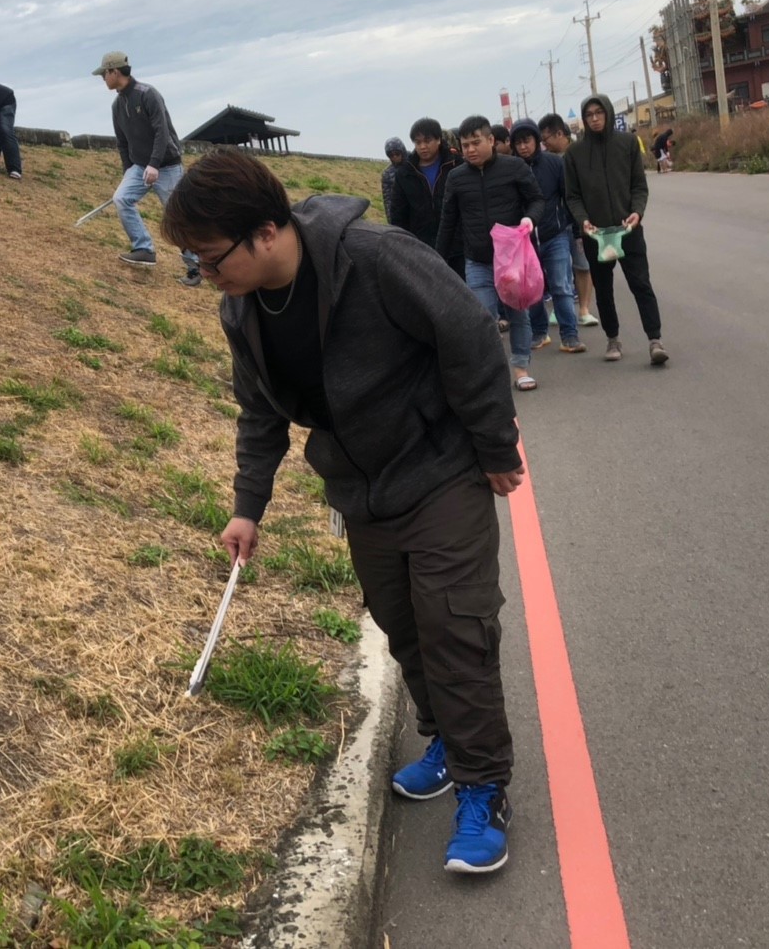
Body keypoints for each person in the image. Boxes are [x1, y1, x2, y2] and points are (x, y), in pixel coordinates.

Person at [161, 149, 524, 875]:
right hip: (362, 493)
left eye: (210, 257)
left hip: (440, 470)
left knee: (454, 626)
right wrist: (247, 507)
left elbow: (468, 334)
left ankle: (484, 788)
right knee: (404, 626)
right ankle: (446, 741)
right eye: (194, 261)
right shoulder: (241, 310)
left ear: (266, 232)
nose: (205, 274)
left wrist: (493, 446)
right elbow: (260, 413)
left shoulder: (375, 258)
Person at [436, 115, 546, 391]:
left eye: (476, 143)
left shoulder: (514, 167)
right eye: (465, 145)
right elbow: (448, 221)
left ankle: (521, 368)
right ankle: (491, 372)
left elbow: (536, 199)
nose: (470, 149)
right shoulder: (456, 178)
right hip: (477, 260)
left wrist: (530, 219)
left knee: (518, 314)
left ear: (491, 140)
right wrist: (437, 258)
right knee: (482, 317)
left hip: (512, 260)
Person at [564, 94, 668, 365]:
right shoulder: (575, 153)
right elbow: (572, 196)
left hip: (628, 230)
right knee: (604, 289)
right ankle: (612, 339)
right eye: (589, 115)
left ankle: (655, 340)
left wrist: (637, 212)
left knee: (641, 284)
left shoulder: (627, 143)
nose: (595, 118)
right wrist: (583, 220)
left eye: (599, 113)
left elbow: (639, 186)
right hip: (596, 235)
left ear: (608, 113)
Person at [93, 50, 199, 286]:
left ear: (115, 71)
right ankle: (144, 249)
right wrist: (128, 170)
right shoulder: (117, 105)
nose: (103, 79)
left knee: (177, 215)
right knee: (122, 198)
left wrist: (154, 164)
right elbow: (122, 142)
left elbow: (162, 131)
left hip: (167, 165)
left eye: (104, 74)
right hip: (139, 166)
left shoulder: (148, 94)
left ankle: (196, 266)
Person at [511, 118, 584, 354]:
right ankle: (539, 332)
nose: (523, 146)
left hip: (556, 235)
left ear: (536, 140)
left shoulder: (554, 163)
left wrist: (576, 231)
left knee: (561, 286)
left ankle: (570, 335)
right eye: (518, 143)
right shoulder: (511, 170)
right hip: (525, 241)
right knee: (532, 289)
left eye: (527, 140)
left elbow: (568, 197)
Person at [539, 113, 598, 328]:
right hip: (558, 224)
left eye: (546, 139)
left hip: (581, 220)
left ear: (559, 134)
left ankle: (584, 309)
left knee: (583, 265)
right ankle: (560, 309)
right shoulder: (546, 160)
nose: (544, 144)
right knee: (560, 269)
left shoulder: (580, 154)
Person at [386, 118, 456, 251]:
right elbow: (398, 214)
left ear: (438, 139)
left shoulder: (455, 165)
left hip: (455, 246)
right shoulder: (404, 174)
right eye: (418, 142)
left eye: (427, 141)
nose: (423, 146)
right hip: (420, 247)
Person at [380, 137, 406, 219]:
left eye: (397, 153)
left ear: (402, 151)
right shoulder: (387, 174)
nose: (394, 157)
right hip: (401, 215)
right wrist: (391, 219)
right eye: (391, 155)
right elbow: (387, 200)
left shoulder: (415, 163)